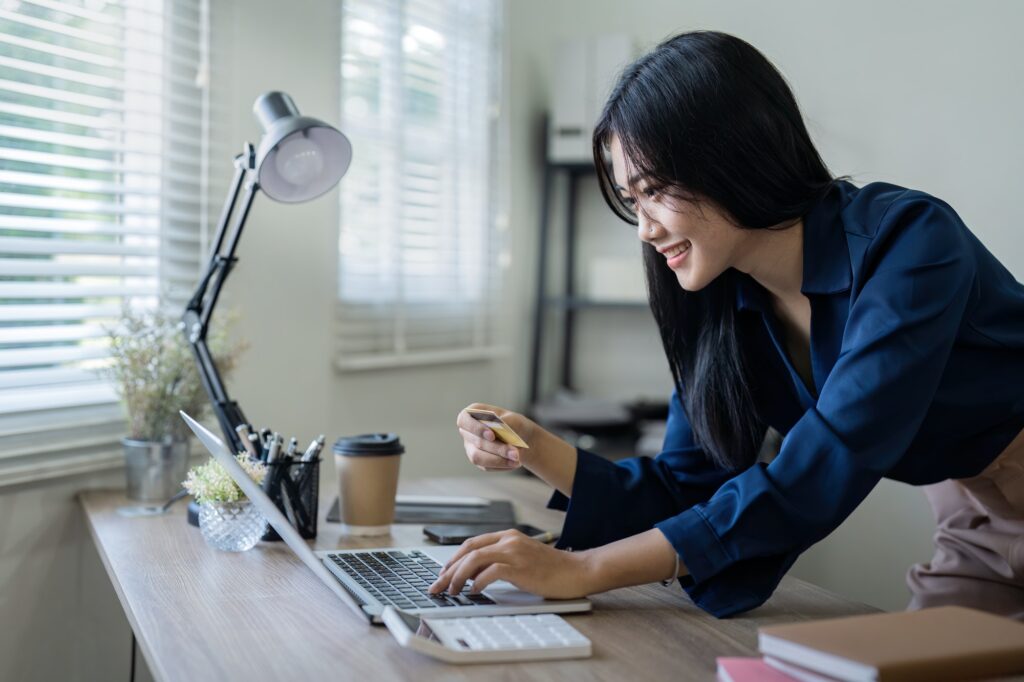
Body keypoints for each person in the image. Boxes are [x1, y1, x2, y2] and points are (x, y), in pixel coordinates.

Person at [428, 31, 1024, 619]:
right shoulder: (722, 300)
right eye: (633, 202)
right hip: (974, 506)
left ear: (734, 154)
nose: (645, 228)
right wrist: (535, 447)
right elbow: (687, 484)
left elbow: (818, 470)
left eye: (655, 190)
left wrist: (584, 570)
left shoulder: (910, 242)